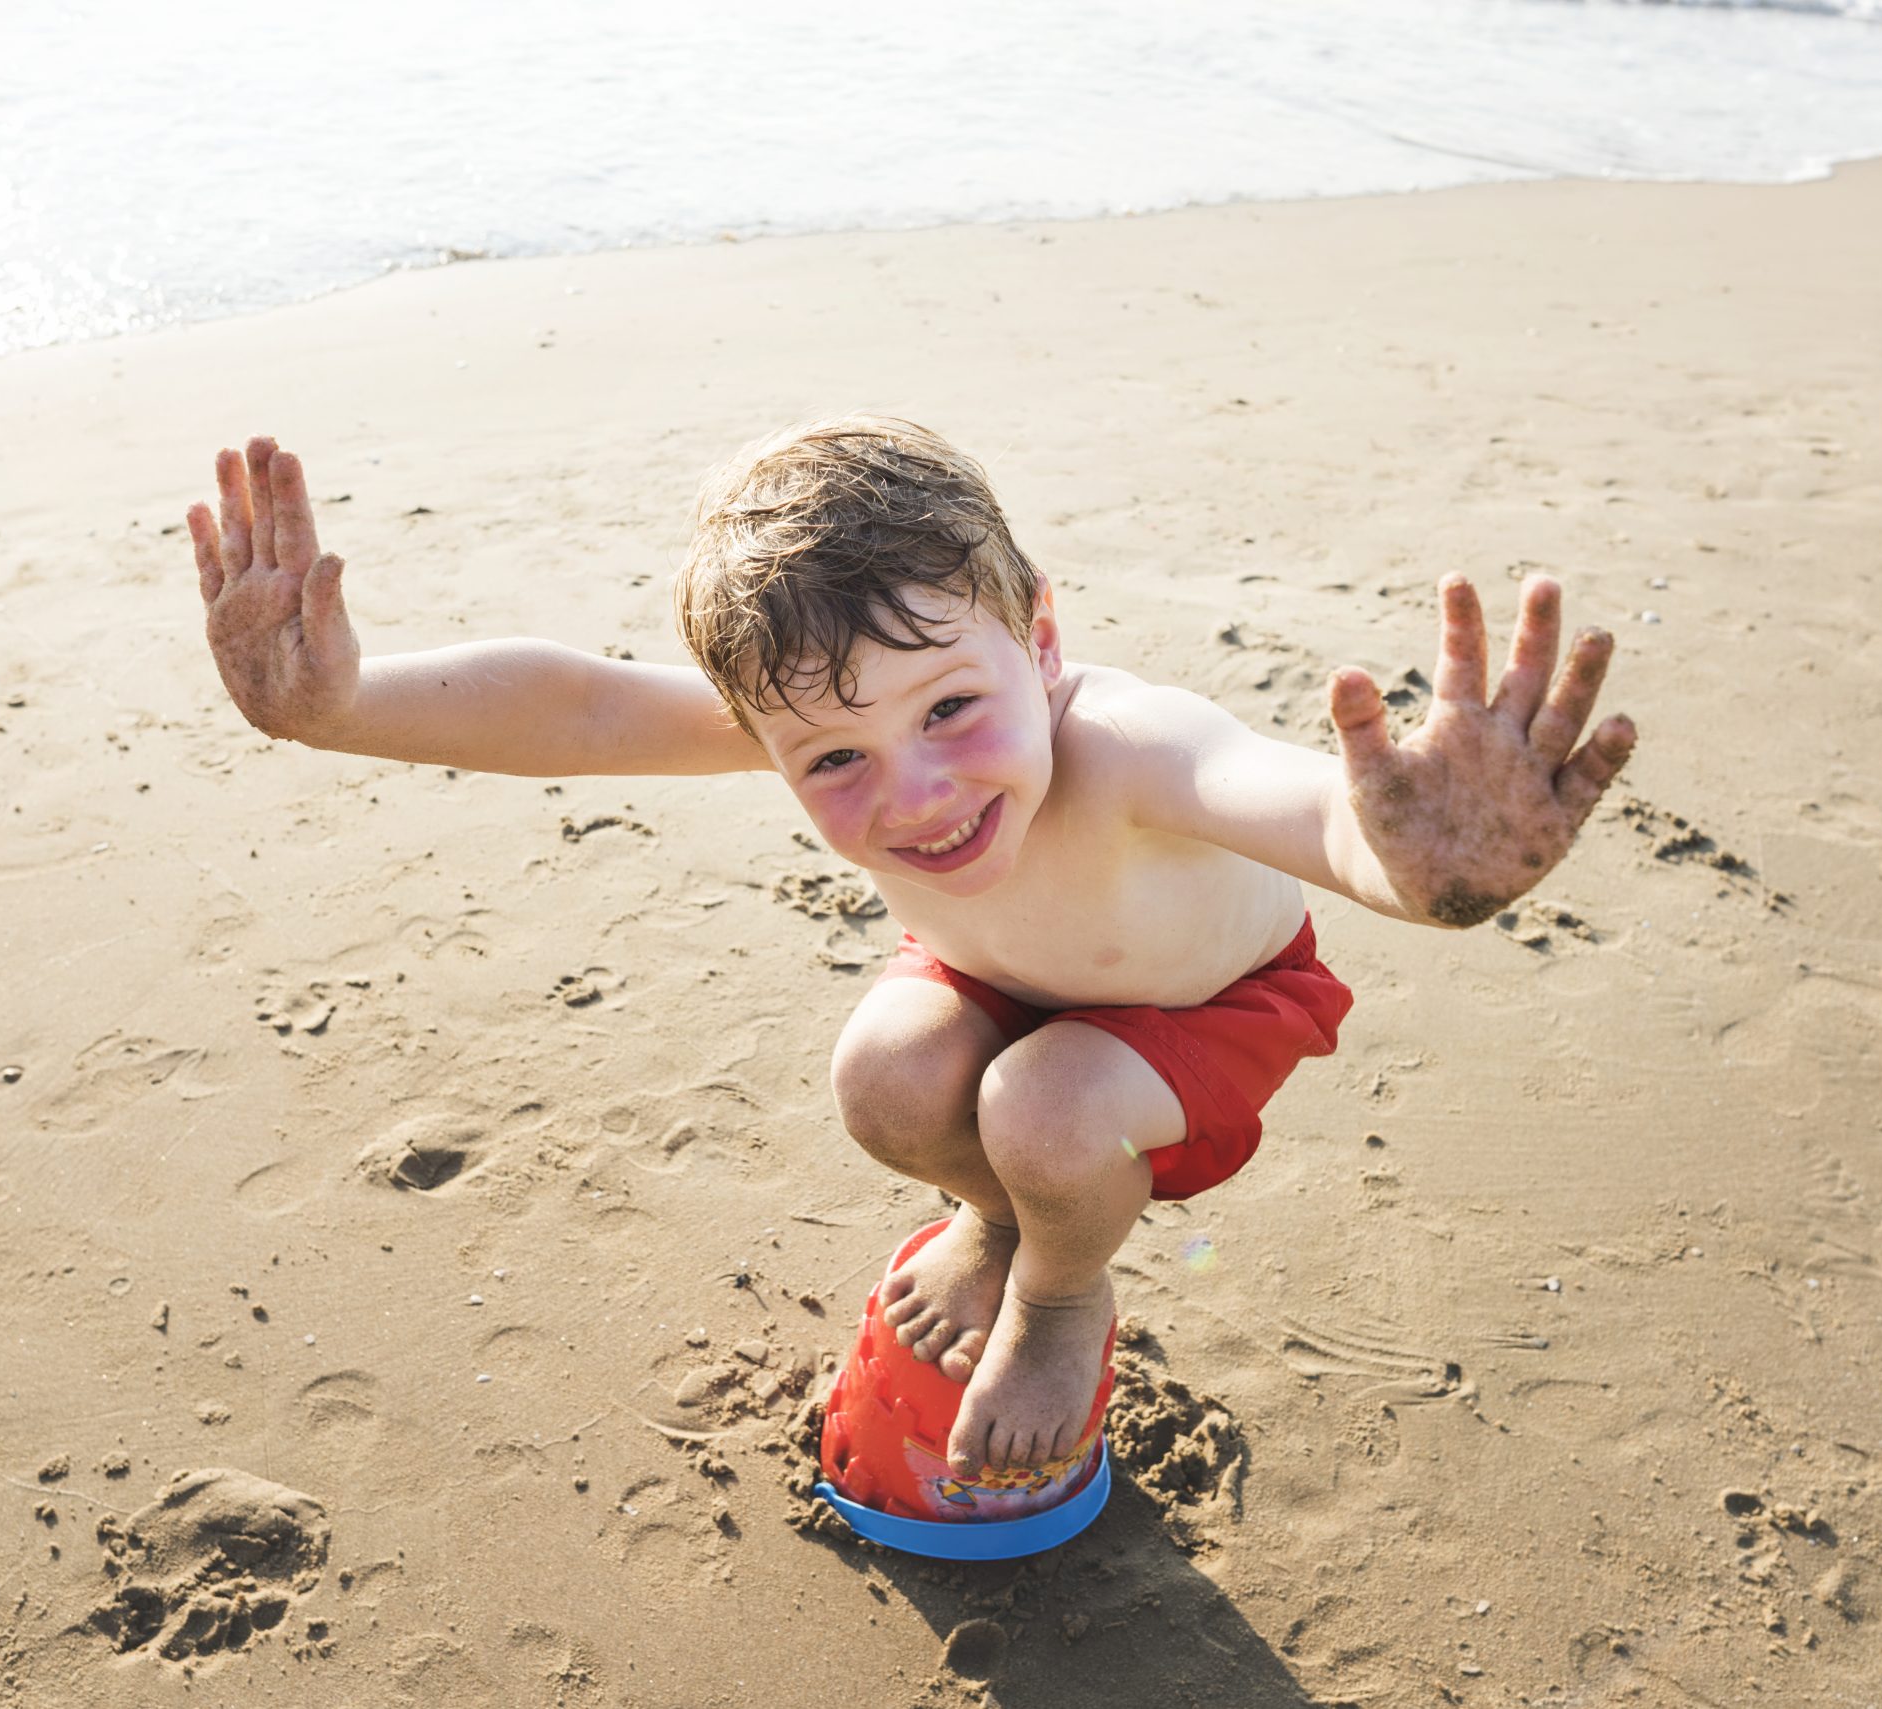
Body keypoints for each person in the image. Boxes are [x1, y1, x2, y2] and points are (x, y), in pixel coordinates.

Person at [188, 417, 1636, 1482]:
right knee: (886, 1076)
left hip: (1206, 1011)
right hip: (1005, 982)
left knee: (1047, 1105)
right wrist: (341, 705)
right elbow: (579, 711)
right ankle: (998, 1219)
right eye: (831, 761)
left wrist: (1420, 861)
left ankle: (1062, 1290)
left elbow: (1298, 805)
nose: (915, 793)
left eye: (952, 708)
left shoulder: (1126, 749)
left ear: (1041, 636)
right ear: (771, 731)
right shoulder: (819, 698)